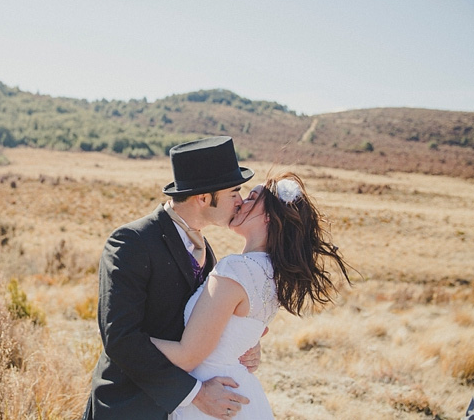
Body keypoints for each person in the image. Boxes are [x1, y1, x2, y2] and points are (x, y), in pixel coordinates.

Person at [82, 136, 259, 419]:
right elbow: (120, 339)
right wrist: (195, 394)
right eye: (233, 192)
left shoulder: (207, 251)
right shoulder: (131, 242)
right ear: (203, 198)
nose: (240, 201)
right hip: (129, 405)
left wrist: (244, 345)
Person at [151, 172, 352, 419]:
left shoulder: (236, 270)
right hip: (238, 393)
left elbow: (187, 356)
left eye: (252, 197)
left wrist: (125, 342)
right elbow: (236, 332)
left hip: (212, 398)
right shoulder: (272, 274)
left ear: (268, 217)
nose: (240, 202)